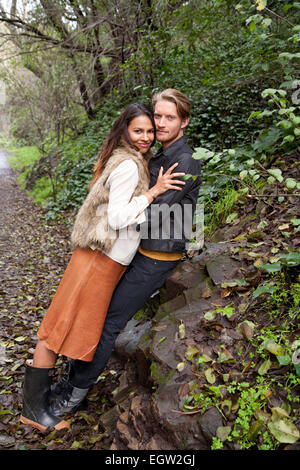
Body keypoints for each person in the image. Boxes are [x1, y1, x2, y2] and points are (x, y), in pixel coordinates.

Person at [20, 102, 186, 431]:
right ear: (124, 130)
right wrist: (153, 192)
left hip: (103, 262)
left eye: (150, 131)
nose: (146, 137)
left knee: (68, 328)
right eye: (138, 131)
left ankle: (42, 405)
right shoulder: (127, 165)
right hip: (98, 261)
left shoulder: (130, 159)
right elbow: (118, 217)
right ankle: (35, 413)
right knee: (57, 331)